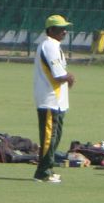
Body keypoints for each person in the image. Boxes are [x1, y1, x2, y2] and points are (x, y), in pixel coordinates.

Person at [32, 14, 76, 183]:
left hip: (57, 100)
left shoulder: (54, 45)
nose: (64, 31)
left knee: (55, 136)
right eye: (60, 28)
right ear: (51, 30)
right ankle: (42, 173)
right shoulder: (49, 46)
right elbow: (58, 74)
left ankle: (48, 168)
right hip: (49, 99)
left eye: (65, 28)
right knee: (49, 137)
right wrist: (69, 77)